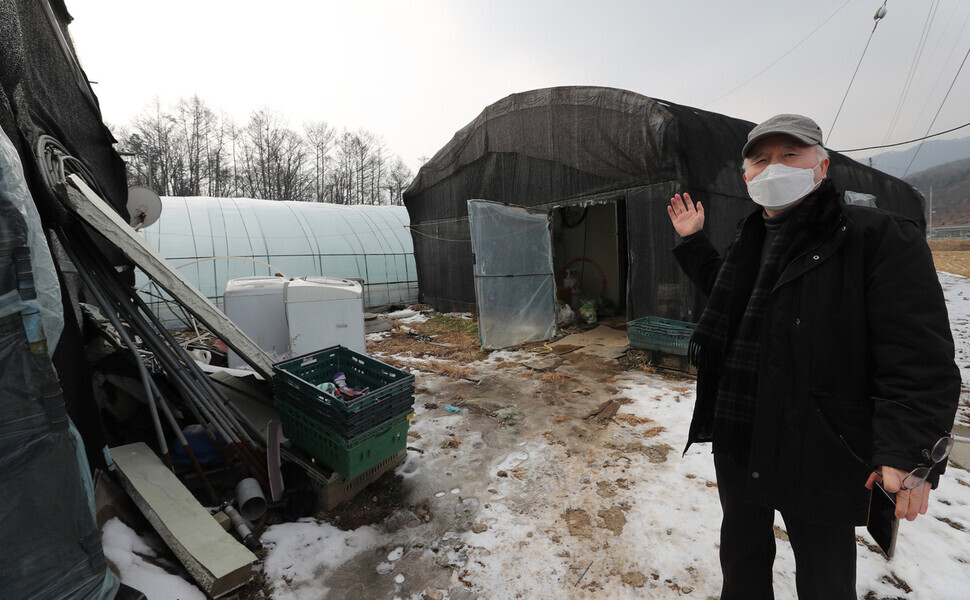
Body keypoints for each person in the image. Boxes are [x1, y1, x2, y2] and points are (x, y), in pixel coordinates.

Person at [666, 113, 961, 599]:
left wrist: (909, 450)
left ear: (822, 167)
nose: (774, 167)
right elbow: (730, 294)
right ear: (747, 178)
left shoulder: (874, 235)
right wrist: (694, 240)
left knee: (825, 575)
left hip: (820, 440)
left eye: (790, 155)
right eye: (761, 159)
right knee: (741, 558)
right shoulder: (750, 239)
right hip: (740, 431)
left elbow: (917, 350)